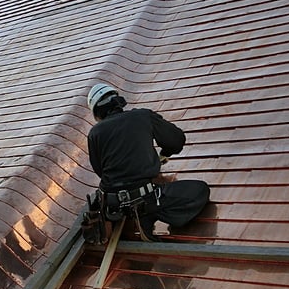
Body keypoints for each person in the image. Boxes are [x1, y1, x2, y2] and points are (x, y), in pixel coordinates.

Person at [86, 83, 210, 242]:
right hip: (148, 199)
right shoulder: (142, 116)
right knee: (200, 190)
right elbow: (176, 140)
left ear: (97, 113)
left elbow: (100, 171)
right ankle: (151, 214)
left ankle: (136, 217)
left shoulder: (94, 133)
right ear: (118, 101)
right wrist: (163, 155)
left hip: (114, 207)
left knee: (143, 201)